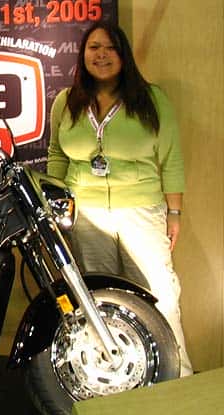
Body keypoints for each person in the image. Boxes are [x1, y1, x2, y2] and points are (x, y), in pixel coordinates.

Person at [47, 21, 193, 376]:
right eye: (94, 47)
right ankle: (115, 377)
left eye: (110, 48)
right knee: (99, 298)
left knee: (160, 294)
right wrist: (57, 205)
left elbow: (171, 158)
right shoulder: (66, 101)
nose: (102, 55)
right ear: (83, 55)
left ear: (124, 55)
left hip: (141, 211)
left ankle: (178, 376)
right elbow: (57, 155)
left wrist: (174, 212)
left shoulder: (151, 99)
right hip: (86, 214)